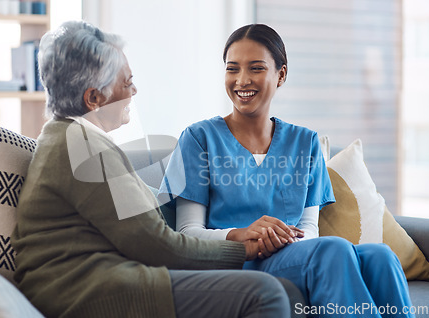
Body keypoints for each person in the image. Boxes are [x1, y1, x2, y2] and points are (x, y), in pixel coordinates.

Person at [11, 20, 292, 318]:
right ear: (94, 98)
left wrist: (234, 227)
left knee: (285, 290)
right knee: (265, 293)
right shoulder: (80, 148)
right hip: (88, 289)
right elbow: (159, 246)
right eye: (126, 82)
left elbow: (148, 223)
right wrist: (244, 249)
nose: (135, 89)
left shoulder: (71, 139)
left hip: (99, 279)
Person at [159, 24, 414, 318]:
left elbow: (309, 229)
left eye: (256, 68)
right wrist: (242, 235)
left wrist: (282, 238)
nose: (242, 80)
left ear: (280, 75)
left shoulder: (306, 142)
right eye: (232, 69)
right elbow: (188, 234)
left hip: (294, 255)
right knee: (332, 250)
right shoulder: (199, 138)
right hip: (236, 261)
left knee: (381, 256)